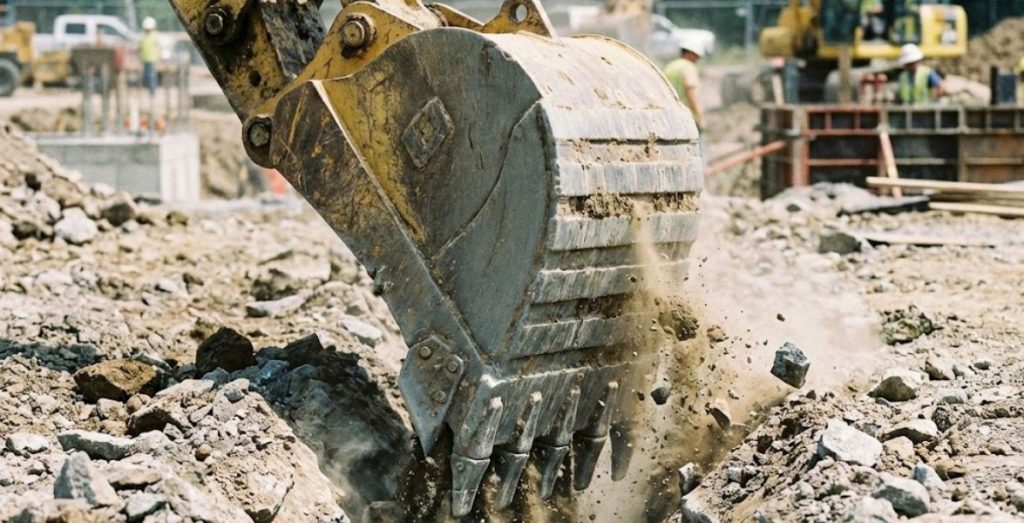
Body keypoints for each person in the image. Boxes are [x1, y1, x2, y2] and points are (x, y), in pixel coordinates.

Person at [663, 36, 704, 131]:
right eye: (697, 56)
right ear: (691, 53)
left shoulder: (670, 66)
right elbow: (691, 90)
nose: (698, 59)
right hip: (686, 116)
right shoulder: (688, 67)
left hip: (670, 115)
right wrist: (699, 115)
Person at [140, 17, 160, 96]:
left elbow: (158, 47)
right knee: (146, 75)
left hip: (152, 59)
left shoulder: (155, 35)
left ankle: (152, 91)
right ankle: (148, 89)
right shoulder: (144, 36)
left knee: (151, 75)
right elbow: (141, 46)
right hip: (145, 58)